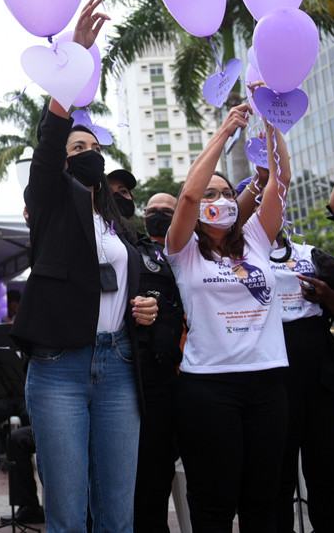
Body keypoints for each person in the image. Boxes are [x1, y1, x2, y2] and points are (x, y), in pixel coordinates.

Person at [10, 0, 158, 533]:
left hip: (119, 366)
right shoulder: (50, 202)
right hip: (59, 372)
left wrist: (143, 306)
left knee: (119, 514)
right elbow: (49, 147)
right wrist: (72, 64)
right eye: (75, 144)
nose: (82, 149)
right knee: (68, 515)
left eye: (90, 143)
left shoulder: (119, 220)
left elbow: (132, 279)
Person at [165, 105, 290, 533]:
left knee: (264, 502)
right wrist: (224, 132)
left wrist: (272, 122)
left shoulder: (256, 238)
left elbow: (280, 181)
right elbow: (186, 196)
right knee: (213, 503)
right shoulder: (182, 249)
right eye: (210, 195)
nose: (218, 200)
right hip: (209, 386)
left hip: (269, 381)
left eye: (224, 193)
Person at [267, 226, 334, 533]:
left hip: (318, 362)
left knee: (326, 470)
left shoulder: (309, 254)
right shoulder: (233, 259)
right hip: (267, 363)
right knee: (274, 476)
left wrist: (326, 294)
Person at [122, 189, 185, 533]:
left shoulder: (187, 253)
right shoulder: (128, 249)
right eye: (152, 210)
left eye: (167, 210)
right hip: (127, 371)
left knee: (155, 473)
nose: (159, 214)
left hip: (171, 377)